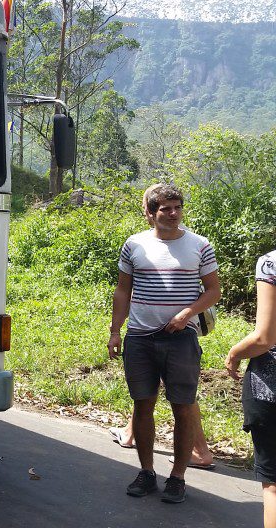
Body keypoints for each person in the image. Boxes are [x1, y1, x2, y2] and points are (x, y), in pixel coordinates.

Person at [108, 184, 221, 503]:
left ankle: (178, 477)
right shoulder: (134, 245)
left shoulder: (200, 245)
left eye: (177, 207)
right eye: (165, 209)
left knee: (183, 407)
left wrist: (187, 314)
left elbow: (213, 291)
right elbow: (122, 291)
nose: (173, 214)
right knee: (143, 404)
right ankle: (146, 472)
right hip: (140, 338)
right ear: (150, 213)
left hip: (181, 339)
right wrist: (116, 330)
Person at [225, 249, 276, 528]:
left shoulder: (271, 263)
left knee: (274, 485)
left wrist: (234, 353)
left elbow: (264, 337)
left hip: (271, 387)